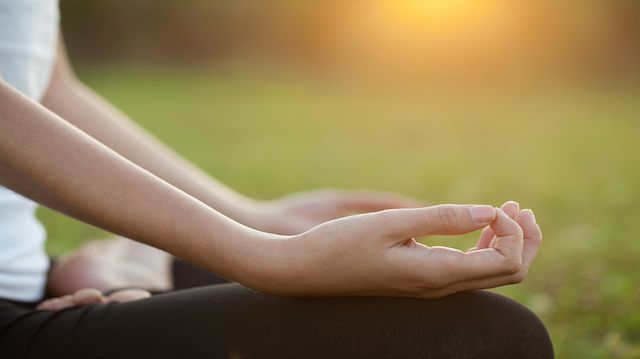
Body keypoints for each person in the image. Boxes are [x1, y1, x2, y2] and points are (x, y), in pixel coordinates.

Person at [0, 0, 554, 357]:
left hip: (25, 278)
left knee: (456, 322)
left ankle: (108, 275)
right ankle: (118, 277)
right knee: (483, 341)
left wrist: (255, 219)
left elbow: (46, 89)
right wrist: (266, 258)